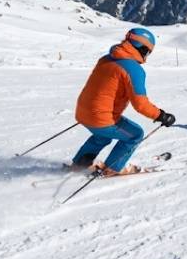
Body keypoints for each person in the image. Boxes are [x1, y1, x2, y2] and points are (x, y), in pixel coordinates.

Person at [72, 28, 176, 175]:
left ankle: (79, 164)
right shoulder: (133, 69)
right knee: (135, 135)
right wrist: (162, 116)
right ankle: (111, 169)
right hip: (101, 117)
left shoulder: (106, 58)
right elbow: (140, 104)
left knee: (102, 137)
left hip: (83, 112)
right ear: (143, 48)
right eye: (148, 52)